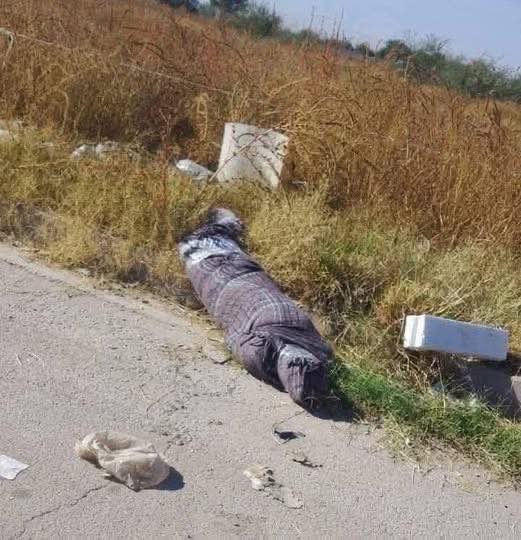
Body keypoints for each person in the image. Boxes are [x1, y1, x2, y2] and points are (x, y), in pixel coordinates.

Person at [178, 208, 332, 407]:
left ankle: (218, 221)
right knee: (207, 241)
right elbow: (237, 340)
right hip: (221, 270)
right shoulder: (261, 356)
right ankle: (218, 221)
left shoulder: (314, 348)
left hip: (224, 266)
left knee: (207, 237)